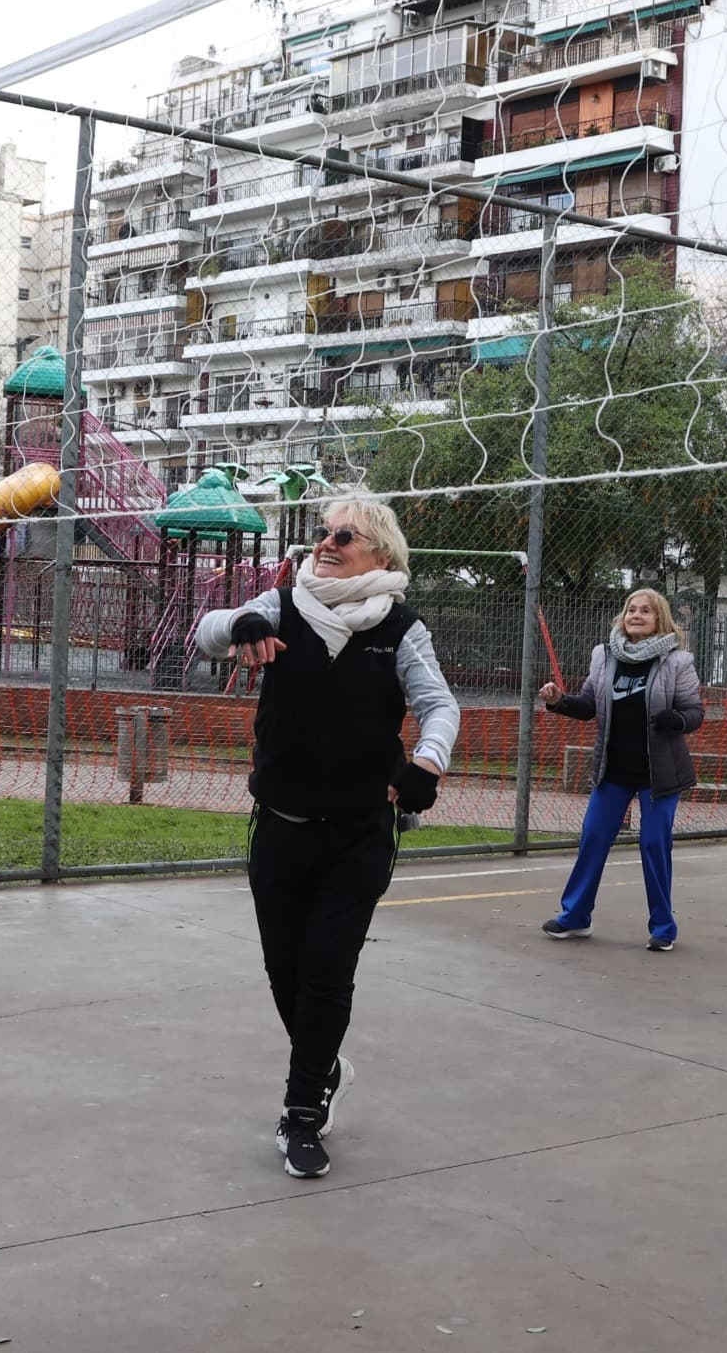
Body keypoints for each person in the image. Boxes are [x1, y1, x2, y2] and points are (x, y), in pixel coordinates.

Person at [196, 496, 457, 1180]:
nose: (327, 542)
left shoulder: (401, 627)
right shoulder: (284, 604)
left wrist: (426, 762)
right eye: (323, 532)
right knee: (286, 973)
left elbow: (437, 704)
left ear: (382, 555)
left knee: (327, 972)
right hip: (280, 829)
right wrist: (242, 620)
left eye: (346, 535)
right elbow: (208, 630)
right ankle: (325, 1061)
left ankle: (302, 1111)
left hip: (359, 834)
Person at [535, 588, 704, 951]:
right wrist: (558, 701)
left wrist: (675, 719)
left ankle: (663, 928)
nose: (636, 615)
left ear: (660, 619)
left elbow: (695, 713)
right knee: (594, 838)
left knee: (653, 844)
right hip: (613, 770)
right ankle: (575, 917)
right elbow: (588, 705)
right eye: (631, 609)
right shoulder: (604, 655)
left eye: (646, 610)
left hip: (659, 774)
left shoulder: (677, 661)